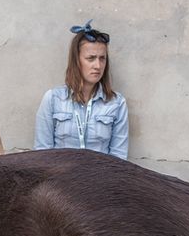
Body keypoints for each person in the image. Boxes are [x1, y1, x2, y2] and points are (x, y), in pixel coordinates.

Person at [34, 20, 129, 159]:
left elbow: (119, 159)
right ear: (76, 60)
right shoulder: (53, 99)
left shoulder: (116, 103)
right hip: (61, 179)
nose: (98, 65)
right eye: (91, 58)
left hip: (101, 179)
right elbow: (42, 154)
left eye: (102, 58)